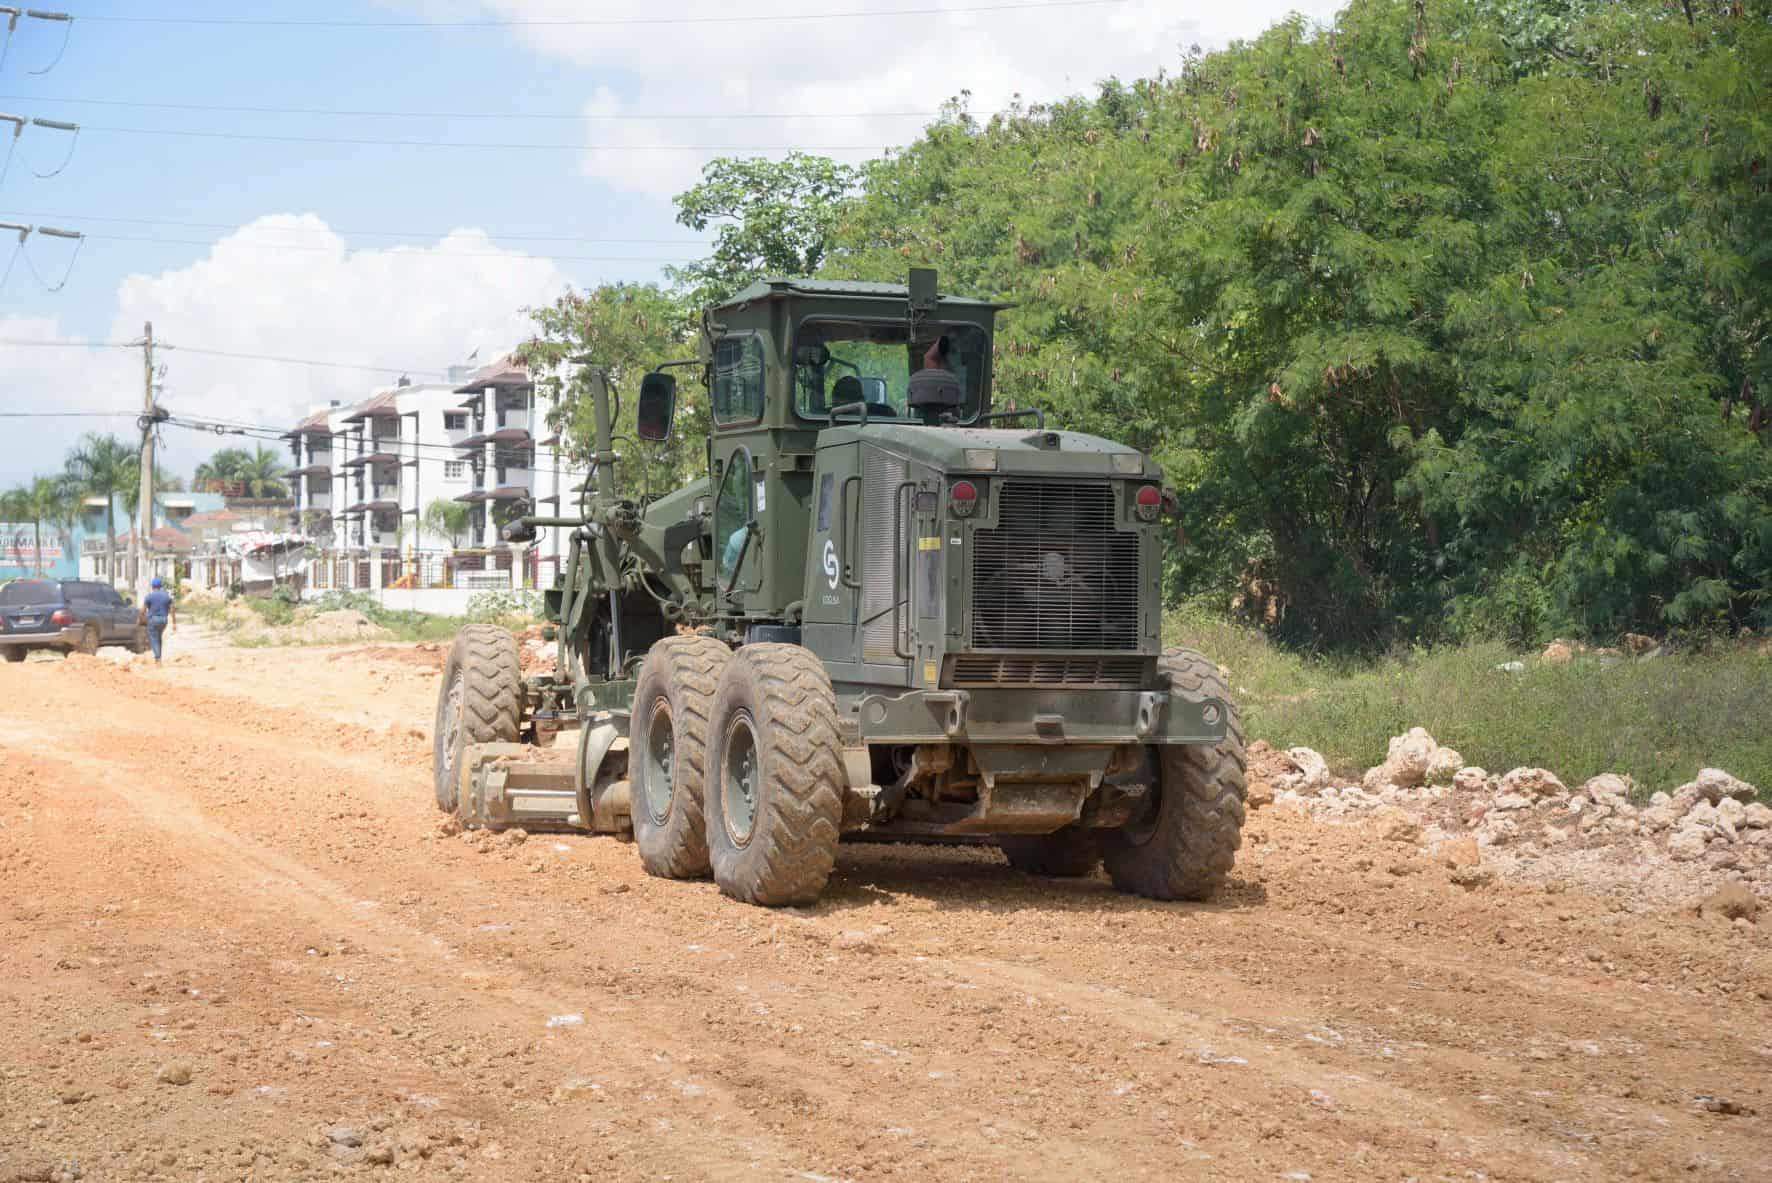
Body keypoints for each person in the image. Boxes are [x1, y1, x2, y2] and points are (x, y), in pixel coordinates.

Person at [139, 576, 176, 664]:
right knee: (159, 638)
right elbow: (172, 609)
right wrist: (174, 623)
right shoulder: (166, 596)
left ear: (152, 586)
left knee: (153, 638)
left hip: (153, 620)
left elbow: (142, 610)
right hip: (164, 620)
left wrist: (140, 619)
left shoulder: (149, 596)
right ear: (161, 586)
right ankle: (159, 657)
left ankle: (158, 658)